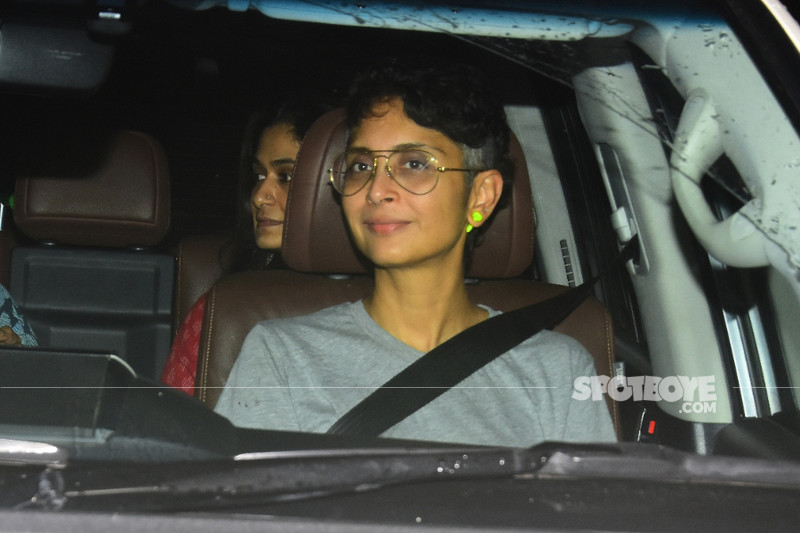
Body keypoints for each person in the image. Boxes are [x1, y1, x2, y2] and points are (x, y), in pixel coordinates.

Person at [214, 62, 616, 447]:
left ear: (481, 195)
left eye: (414, 163)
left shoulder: (557, 369)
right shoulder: (282, 355)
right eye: (360, 166)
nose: (375, 189)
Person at [160, 101, 324, 395]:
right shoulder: (225, 308)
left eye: (285, 177)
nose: (260, 196)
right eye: (260, 175)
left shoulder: (393, 305)